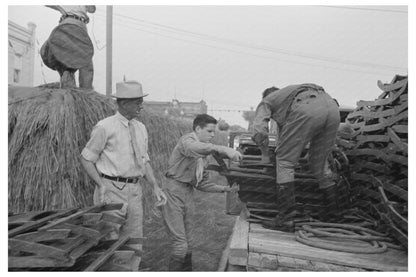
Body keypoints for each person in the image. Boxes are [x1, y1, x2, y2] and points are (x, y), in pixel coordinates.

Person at [80, 80, 167, 266]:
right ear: (124, 103)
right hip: (111, 190)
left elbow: (144, 160)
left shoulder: (141, 128)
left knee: (134, 240)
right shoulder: (105, 127)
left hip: (135, 191)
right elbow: (86, 158)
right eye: (137, 102)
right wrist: (101, 184)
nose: (141, 106)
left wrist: (155, 186)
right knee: (110, 240)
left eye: (141, 102)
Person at [252, 84, 340, 227]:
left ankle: (286, 219)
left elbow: (259, 131)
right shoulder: (290, 96)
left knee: (284, 162)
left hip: (308, 108)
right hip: (333, 108)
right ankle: (335, 216)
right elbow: (290, 137)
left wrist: (265, 153)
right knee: (320, 165)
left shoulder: (267, 101)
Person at [163, 114, 243, 271]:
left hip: (188, 192)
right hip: (173, 191)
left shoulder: (203, 155)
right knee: (180, 244)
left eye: (214, 132)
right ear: (198, 129)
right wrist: (222, 148)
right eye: (209, 131)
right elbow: (194, 148)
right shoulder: (187, 141)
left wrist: (226, 189)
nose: (213, 135)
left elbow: (202, 184)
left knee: (190, 242)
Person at [41, 5, 96, 89]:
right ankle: (84, 93)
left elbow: (92, 9)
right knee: (84, 63)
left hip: (72, 24)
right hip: (74, 23)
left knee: (68, 62)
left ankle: (71, 90)